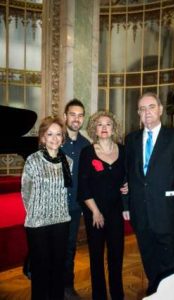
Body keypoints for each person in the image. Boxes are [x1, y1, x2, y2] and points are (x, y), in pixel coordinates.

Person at [125, 92, 174, 296]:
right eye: (142, 109)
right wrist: (127, 205)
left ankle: (172, 293)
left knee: (171, 259)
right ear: (138, 113)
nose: (147, 112)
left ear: (160, 110)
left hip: (167, 211)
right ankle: (155, 289)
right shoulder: (131, 139)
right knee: (148, 255)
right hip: (141, 211)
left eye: (151, 107)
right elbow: (127, 176)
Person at [21, 116, 73, 300]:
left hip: (61, 222)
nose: (54, 138)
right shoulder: (33, 160)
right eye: (49, 134)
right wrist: (37, 212)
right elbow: (25, 192)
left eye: (58, 134)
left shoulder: (68, 161)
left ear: (63, 137)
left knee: (58, 268)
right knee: (41, 270)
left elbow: (66, 190)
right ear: (42, 137)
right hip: (38, 225)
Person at [78, 111, 128, 300]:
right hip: (95, 213)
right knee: (96, 258)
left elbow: (129, 175)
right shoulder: (87, 152)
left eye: (108, 124)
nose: (104, 128)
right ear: (94, 129)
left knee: (116, 256)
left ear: (113, 128)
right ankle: (99, 296)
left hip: (116, 212)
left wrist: (128, 183)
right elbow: (83, 187)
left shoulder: (123, 151)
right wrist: (95, 212)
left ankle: (118, 295)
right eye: (100, 124)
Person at [61, 99, 90, 299]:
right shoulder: (55, 139)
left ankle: (67, 287)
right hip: (55, 205)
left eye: (80, 115)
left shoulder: (86, 145)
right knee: (52, 246)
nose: (76, 119)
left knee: (70, 248)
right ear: (65, 116)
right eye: (72, 114)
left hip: (73, 207)